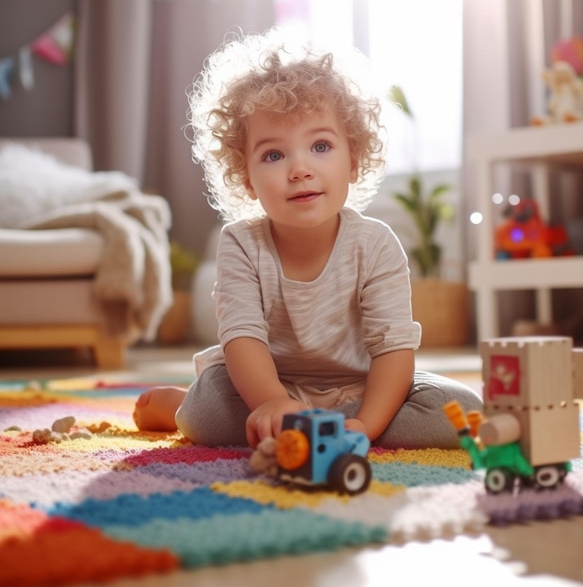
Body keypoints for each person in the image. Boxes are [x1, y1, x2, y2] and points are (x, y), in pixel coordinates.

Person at [133, 28, 482, 449]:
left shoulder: (375, 245)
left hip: (363, 389)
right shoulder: (241, 244)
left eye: (320, 146)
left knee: (461, 413)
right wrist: (274, 402)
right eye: (274, 155)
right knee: (208, 413)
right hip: (264, 386)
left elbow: (393, 352)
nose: (299, 169)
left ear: (353, 159)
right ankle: (185, 406)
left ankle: (316, 428)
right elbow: (242, 338)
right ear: (246, 178)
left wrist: (366, 426)